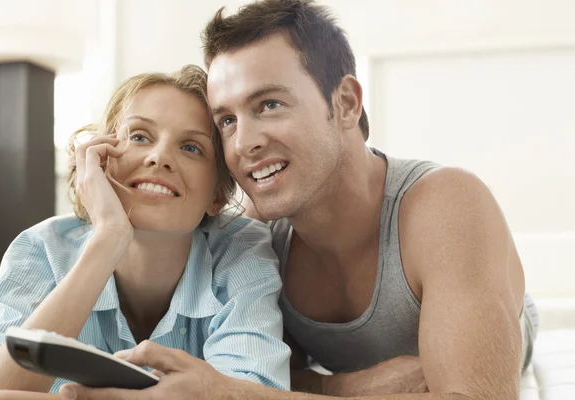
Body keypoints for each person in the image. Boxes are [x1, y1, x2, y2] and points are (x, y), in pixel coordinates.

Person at [57, 1, 540, 399]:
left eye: (269, 104)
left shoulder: (445, 205)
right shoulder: (256, 239)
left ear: (346, 103)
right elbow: (257, 372)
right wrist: (354, 387)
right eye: (226, 120)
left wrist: (233, 393)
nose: (244, 144)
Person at [0, 64, 291, 397]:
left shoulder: (243, 252)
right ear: (102, 161)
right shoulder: (40, 248)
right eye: (139, 137)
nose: (160, 157)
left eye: (191, 147)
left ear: (217, 195)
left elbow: (254, 391)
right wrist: (108, 239)